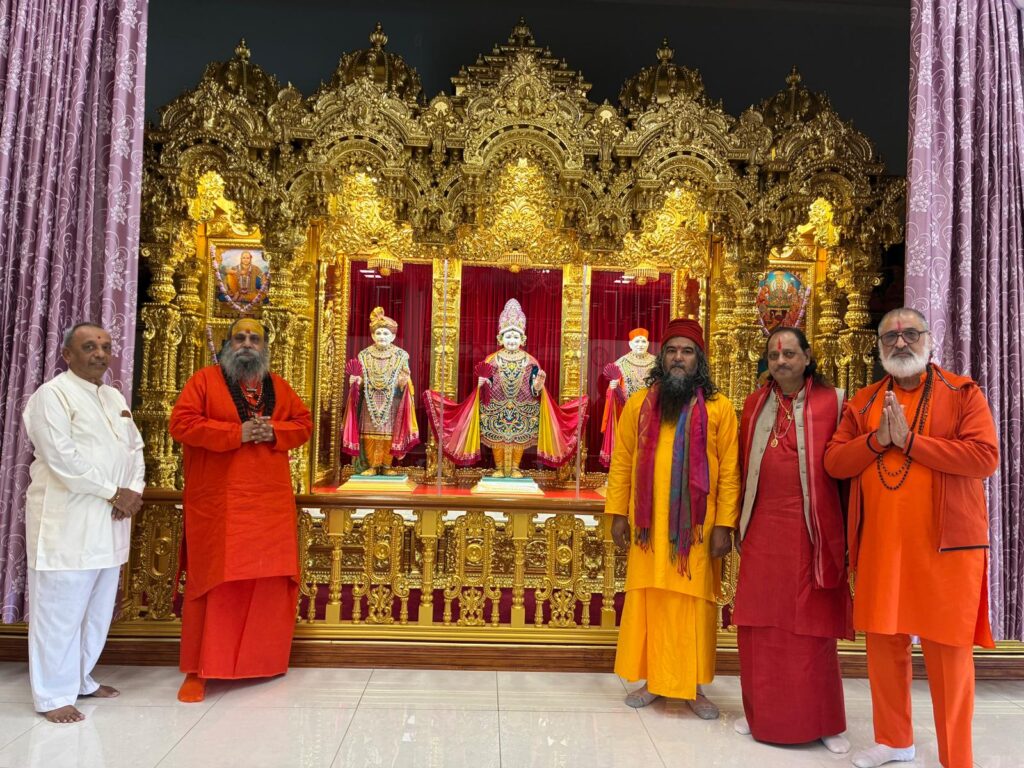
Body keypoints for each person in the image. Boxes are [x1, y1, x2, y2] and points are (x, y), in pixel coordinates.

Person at [824, 308, 998, 768]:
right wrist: (877, 440)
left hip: (946, 548)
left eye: (910, 334)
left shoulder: (962, 393)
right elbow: (835, 462)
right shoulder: (863, 402)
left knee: (949, 653)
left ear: (928, 338)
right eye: (890, 337)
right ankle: (893, 740)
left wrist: (911, 442)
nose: (900, 343)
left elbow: (984, 457)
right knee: (884, 644)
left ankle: (957, 757)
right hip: (882, 545)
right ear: (879, 346)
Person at [170, 318, 313, 703]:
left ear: (265, 346)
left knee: (266, 580)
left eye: (255, 338)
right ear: (227, 343)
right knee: (214, 582)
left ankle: (261, 662)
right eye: (240, 337)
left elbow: (303, 424)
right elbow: (181, 424)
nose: (247, 343)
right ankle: (198, 670)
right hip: (219, 505)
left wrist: (275, 432)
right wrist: (237, 434)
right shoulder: (204, 381)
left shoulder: (278, 386)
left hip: (268, 505)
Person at [606, 318, 740, 717]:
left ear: (699, 359)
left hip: (697, 530)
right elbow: (622, 462)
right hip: (648, 527)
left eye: (687, 351)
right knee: (652, 600)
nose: (678, 358)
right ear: (661, 358)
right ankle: (654, 681)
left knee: (693, 605)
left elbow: (730, 472)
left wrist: (725, 525)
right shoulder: (638, 404)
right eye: (672, 351)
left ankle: (692, 687)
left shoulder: (720, 408)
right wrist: (617, 513)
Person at [733, 326, 852, 752]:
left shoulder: (834, 401)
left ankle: (823, 722)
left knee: (811, 627)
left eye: (788, 354)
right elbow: (740, 467)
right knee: (759, 623)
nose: (780, 361)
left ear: (807, 356)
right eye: (773, 355)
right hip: (762, 526)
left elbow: (848, 474)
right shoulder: (754, 403)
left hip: (812, 530)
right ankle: (759, 713)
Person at [22, 323, 145, 723]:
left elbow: (135, 449)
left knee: (96, 608)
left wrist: (133, 490)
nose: (99, 354)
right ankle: (52, 695)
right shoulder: (52, 395)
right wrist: (113, 492)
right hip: (67, 521)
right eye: (89, 346)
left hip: (110, 519)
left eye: (105, 346)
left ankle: (79, 679)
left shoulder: (113, 397)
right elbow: (61, 457)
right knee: (59, 610)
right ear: (67, 354)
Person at [424, 298, 585, 475]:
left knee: (519, 439)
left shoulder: (530, 361)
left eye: (516, 337)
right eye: (508, 336)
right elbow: (488, 382)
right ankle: (500, 467)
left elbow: (535, 387)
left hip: (524, 406)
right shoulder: (492, 360)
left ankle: (515, 467)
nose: (512, 340)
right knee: (498, 439)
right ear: (500, 339)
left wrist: (538, 385)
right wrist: (483, 384)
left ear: (522, 339)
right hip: (496, 406)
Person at [342, 307, 419, 475]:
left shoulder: (401, 355)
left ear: (393, 336)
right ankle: (372, 466)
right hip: (369, 402)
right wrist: (356, 381)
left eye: (385, 333)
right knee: (369, 435)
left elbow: (405, 376)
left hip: (392, 402)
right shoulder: (364, 355)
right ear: (372, 336)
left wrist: (403, 381)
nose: (382, 336)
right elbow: (361, 377)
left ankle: (386, 466)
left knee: (389, 435)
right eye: (378, 333)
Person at [599, 328, 656, 467]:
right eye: (637, 341)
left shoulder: (657, 363)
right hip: (628, 411)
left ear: (648, 343)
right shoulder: (621, 364)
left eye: (643, 341)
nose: (640, 344)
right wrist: (612, 388)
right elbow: (613, 392)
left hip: (652, 411)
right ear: (630, 344)